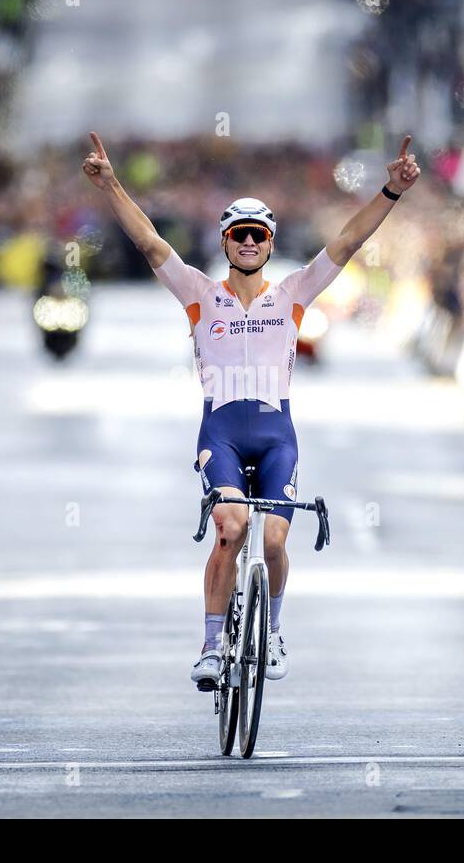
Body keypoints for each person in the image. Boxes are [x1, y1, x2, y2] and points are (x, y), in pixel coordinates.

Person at [82, 130, 420, 689]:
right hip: (221, 432)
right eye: (238, 234)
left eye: (257, 235)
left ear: (268, 243)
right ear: (225, 242)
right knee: (230, 526)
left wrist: (390, 191)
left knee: (274, 541)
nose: (247, 242)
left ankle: (275, 632)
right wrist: (110, 183)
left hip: (276, 436)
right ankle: (213, 646)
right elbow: (148, 242)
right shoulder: (197, 293)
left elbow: (347, 243)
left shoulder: (292, 293)